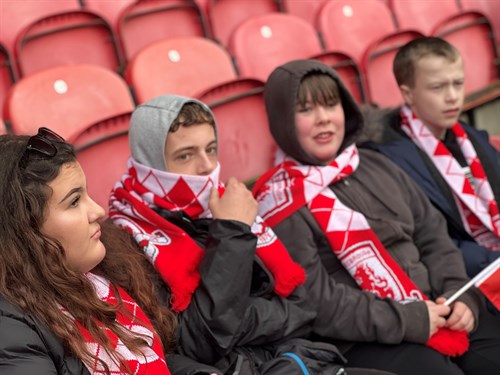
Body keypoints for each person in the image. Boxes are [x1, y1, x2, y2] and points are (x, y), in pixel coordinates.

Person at [108, 94, 395, 375]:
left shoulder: (226, 203)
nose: (207, 166)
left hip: (298, 358)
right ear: (150, 162)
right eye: (186, 155)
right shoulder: (129, 241)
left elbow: (303, 308)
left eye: (211, 149)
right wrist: (232, 231)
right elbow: (199, 341)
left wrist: (239, 319)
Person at [252, 59, 500, 375]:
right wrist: (411, 320)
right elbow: (317, 302)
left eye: (331, 105)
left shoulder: (374, 163)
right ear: (283, 121)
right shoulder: (279, 203)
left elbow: (433, 236)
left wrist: (459, 295)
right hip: (365, 338)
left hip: (440, 307)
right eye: (306, 110)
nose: (323, 119)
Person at [0, 129, 219, 374]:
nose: (98, 211)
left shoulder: (101, 274)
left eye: (86, 194)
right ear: (24, 229)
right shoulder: (9, 328)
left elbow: (159, 358)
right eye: (74, 202)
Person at [362, 36, 500, 282]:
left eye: (458, 83)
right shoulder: (387, 159)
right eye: (437, 87)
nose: (452, 96)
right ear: (408, 93)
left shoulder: (470, 137)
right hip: (464, 279)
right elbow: (425, 243)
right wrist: (491, 263)